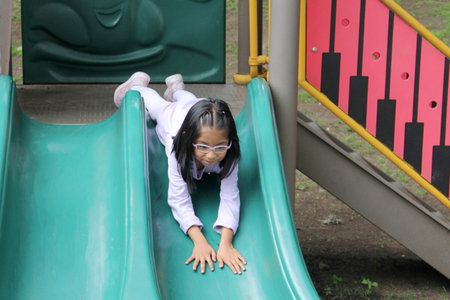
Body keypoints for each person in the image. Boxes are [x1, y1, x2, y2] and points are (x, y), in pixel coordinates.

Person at [114, 72, 247, 275]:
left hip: (199, 109)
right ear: (188, 140)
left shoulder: (228, 151)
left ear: (229, 141)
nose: (211, 156)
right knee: (158, 106)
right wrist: (199, 239)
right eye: (202, 147)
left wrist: (226, 242)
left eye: (219, 147)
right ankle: (136, 86)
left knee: (192, 102)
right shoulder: (179, 145)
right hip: (176, 116)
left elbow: (231, 196)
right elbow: (178, 198)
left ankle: (177, 90)